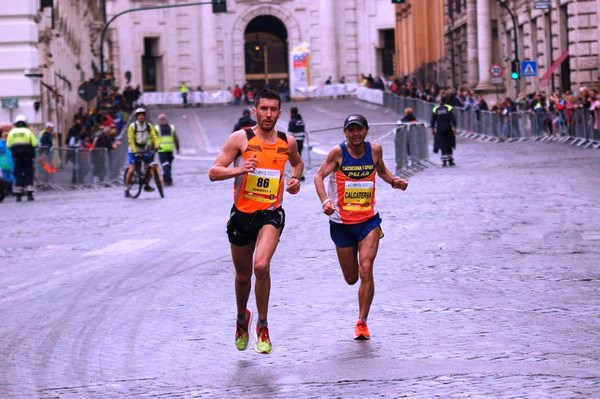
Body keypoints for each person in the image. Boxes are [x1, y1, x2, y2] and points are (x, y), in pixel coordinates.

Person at [208, 88, 304, 354]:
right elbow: (213, 172)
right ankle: (242, 319)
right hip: (242, 214)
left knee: (261, 266)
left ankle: (262, 324)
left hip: (271, 213)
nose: (268, 115)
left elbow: (297, 164)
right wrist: (240, 168)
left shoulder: (288, 141)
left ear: (279, 113)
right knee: (243, 276)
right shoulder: (241, 138)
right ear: (255, 111)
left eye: (273, 110)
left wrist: (295, 181)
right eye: (264, 109)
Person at [313, 114, 408, 340]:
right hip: (342, 223)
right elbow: (318, 176)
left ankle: (362, 322)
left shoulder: (374, 150)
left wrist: (394, 181)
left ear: (366, 130)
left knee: (366, 269)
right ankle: (361, 313)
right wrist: (325, 200)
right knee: (351, 277)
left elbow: (382, 171)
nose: (355, 134)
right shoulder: (338, 153)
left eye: (359, 129)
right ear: (345, 133)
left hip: (368, 221)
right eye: (351, 130)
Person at [124, 108, 159, 198]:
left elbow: (154, 136)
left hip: (143, 148)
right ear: (137, 117)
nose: (141, 117)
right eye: (139, 115)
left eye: (142, 115)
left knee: (151, 167)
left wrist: (157, 145)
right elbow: (130, 140)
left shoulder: (148, 126)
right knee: (131, 170)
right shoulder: (132, 126)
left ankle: (146, 184)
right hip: (133, 149)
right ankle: (127, 189)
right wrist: (135, 152)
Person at [7, 115, 38, 202]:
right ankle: (29, 195)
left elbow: (8, 145)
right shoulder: (28, 132)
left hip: (16, 158)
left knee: (18, 175)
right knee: (29, 174)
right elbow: (35, 144)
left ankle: (18, 196)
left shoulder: (11, 132)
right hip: (28, 157)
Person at [431, 96, 457, 167]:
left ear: (440, 101)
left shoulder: (436, 108)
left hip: (439, 129)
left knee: (442, 144)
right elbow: (453, 119)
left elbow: (433, 120)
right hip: (448, 128)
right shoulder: (449, 108)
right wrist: (455, 128)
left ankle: (444, 161)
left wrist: (433, 129)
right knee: (449, 143)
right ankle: (450, 160)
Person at [155, 114, 180, 186]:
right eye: (161, 119)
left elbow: (176, 139)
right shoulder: (157, 129)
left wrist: (177, 148)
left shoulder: (171, 128)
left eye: (164, 119)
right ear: (159, 121)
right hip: (162, 151)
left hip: (169, 151)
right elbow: (154, 138)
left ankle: (166, 179)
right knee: (166, 166)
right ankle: (169, 180)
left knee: (168, 166)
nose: (163, 120)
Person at [288, 107, 306, 180]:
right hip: (301, 141)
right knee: (299, 158)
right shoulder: (301, 121)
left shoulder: (292, 122)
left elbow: (290, 133)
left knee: (293, 160)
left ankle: (295, 174)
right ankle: (301, 174)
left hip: (294, 142)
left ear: (291, 112)